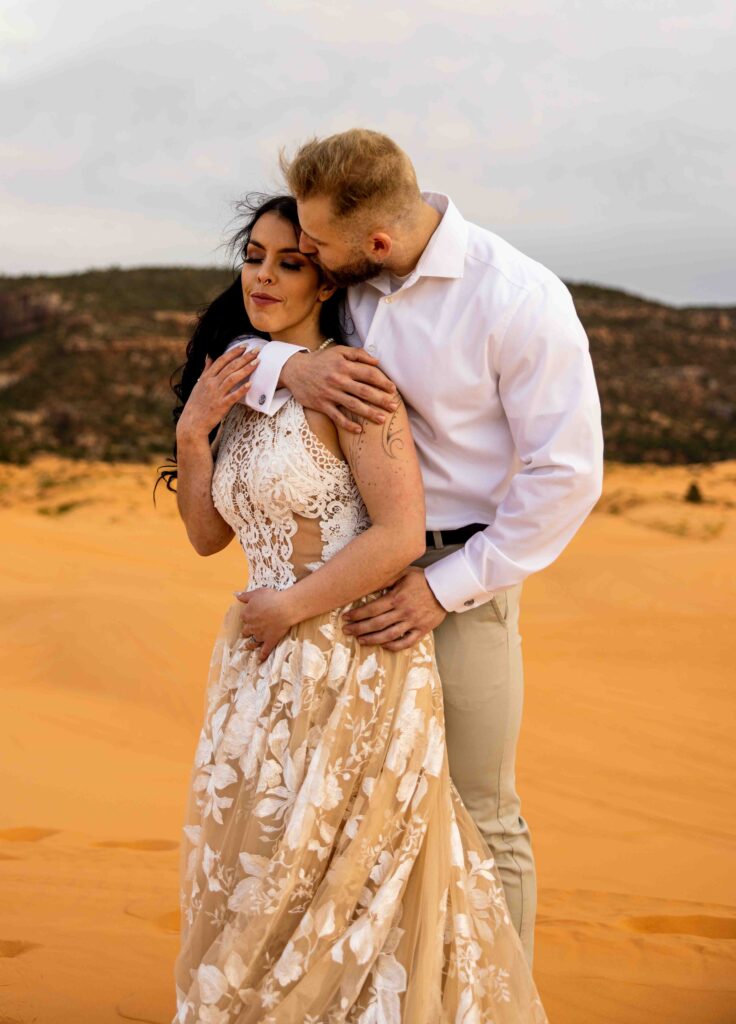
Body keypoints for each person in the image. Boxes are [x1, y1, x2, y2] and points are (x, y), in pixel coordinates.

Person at [161, 194, 548, 1022]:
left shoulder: (356, 384)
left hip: (349, 658)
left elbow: (401, 533)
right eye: (254, 257)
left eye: (290, 262)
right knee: (263, 870)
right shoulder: (239, 380)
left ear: (327, 281)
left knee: (343, 878)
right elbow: (203, 537)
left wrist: (290, 608)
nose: (263, 275)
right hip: (259, 674)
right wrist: (195, 434)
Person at [241, 129, 605, 968]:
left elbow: (567, 477)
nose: (305, 260)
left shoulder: (518, 298)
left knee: (482, 813)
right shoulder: (352, 277)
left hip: (462, 582)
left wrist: (445, 588)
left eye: (316, 247)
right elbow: (241, 334)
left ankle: (502, 1006)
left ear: (375, 241)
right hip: (346, 581)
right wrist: (281, 370)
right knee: (356, 813)